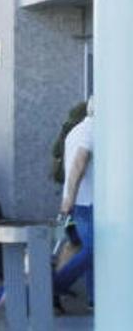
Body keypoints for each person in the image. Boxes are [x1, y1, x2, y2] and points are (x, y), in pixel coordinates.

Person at [53, 96, 94, 312]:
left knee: (73, 246)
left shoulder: (76, 130)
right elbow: (79, 164)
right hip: (87, 203)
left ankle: (94, 299)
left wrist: (68, 199)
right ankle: (50, 288)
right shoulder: (92, 131)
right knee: (94, 250)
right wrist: (70, 198)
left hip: (76, 202)